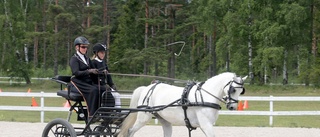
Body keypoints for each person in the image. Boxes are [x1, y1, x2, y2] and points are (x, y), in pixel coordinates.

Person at [69, 36, 100, 120]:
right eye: (83, 47)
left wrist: (101, 71)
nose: (85, 49)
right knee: (94, 90)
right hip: (78, 82)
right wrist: (89, 71)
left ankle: (104, 112)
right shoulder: (74, 59)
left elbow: (94, 68)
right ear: (77, 47)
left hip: (87, 82)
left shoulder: (87, 58)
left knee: (102, 89)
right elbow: (76, 73)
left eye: (86, 47)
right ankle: (92, 115)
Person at [91, 43, 121, 108]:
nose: (103, 54)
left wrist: (112, 85)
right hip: (97, 86)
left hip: (105, 86)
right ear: (96, 53)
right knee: (110, 97)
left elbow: (108, 76)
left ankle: (118, 112)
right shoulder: (93, 62)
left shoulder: (104, 63)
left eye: (104, 53)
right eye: (101, 52)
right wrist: (101, 72)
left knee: (117, 95)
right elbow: (93, 76)